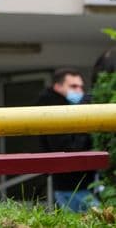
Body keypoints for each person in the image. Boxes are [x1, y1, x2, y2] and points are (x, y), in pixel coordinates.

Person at [35, 68, 101, 212]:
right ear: (58, 87)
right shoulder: (55, 110)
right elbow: (69, 149)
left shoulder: (65, 107)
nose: (79, 90)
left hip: (75, 184)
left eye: (81, 86)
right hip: (72, 185)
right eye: (73, 86)